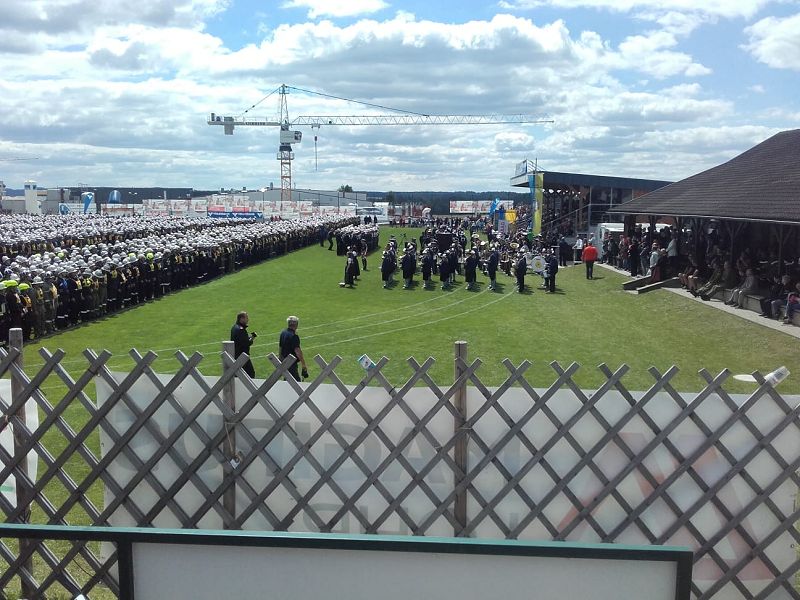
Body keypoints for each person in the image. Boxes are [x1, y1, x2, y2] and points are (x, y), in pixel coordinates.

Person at [279, 315, 308, 381]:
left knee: (287, 380)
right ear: (296, 325)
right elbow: (297, 351)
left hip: (284, 361)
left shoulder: (283, 333)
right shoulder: (294, 336)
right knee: (296, 382)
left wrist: (280, 358)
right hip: (291, 362)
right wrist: (303, 364)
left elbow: (280, 346)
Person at [230, 311, 256, 377]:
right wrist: (252, 338)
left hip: (236, 355)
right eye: (246, 318)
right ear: (241, 319)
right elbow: (246, 343)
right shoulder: (241, 330)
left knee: (238, 374)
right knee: (250, 374)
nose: (248, 319)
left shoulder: (234, 327)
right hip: (242, 356)